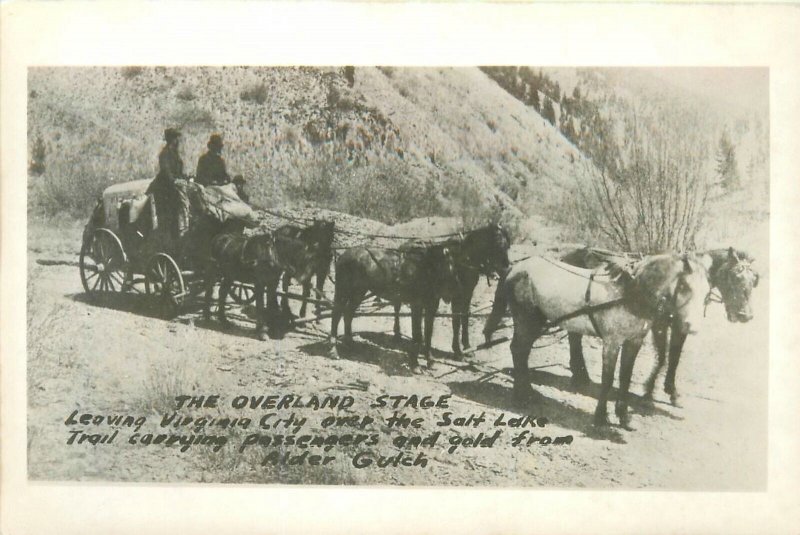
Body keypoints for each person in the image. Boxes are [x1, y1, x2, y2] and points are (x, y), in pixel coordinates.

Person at [147, 128, 189, 239]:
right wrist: (174, 181)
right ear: (171, 140)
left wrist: (186, 178)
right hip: (163, 190)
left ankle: (177, 238)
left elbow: (178, 172)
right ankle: (167, 243)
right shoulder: (164, 154)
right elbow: (166, 171)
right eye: (176, 138)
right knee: (167, 219)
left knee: (175, 216)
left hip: (173, 190)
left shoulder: (175, 154)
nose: (178, 140)